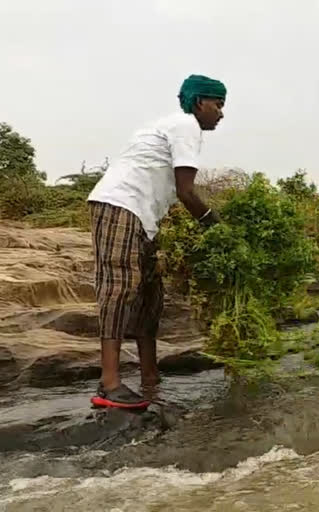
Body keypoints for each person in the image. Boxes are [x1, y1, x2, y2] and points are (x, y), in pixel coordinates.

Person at [86, 74, 227, 408]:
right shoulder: (186, 126)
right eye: (218, 105)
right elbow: (186, 191)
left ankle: (150, 378)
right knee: (120, 286)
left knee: (150, 295)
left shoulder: (175, 128)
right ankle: (109, 383)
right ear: (199, 103)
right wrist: (217, 227)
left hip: (143, 219)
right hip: (120, 205)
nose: (221, 114)